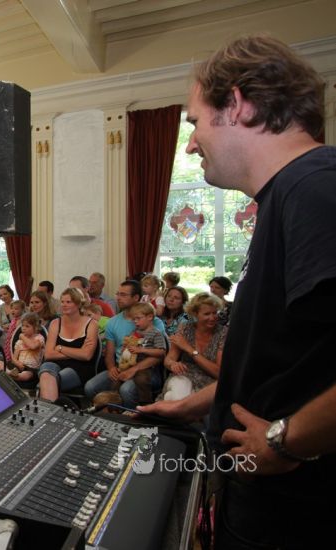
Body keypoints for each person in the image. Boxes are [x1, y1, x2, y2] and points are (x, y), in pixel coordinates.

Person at [137, 35, 336, 548]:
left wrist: (284, 441)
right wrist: (197, 405)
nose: (191, 144)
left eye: (195, 122)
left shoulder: (315, 187)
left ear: (238, 105)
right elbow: (292, 362)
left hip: (296, 511)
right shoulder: (288, 195)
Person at [84, 280, 168, 407]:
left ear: (136, 297)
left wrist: (134, 369)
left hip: (147, 370)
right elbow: (110, 354)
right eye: (117, 294)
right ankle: (110, 413)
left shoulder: (153, 321)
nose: (118, 298)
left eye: (123, 295)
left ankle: (135, 415)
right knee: (90, 387)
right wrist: (111, 368)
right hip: (122, 365)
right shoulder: (112, 322)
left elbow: (158, 356)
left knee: (126, 390)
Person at [161, 293, 227, 401]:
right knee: (179, 392)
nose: (212, 318)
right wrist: (173, 364)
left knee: (174, 398)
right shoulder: (185, 328)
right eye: (207, 314)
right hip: (183, 376)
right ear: (195, 314)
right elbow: (168, 360)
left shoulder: (223, 333)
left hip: (209, 382)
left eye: (215, 313)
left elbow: (218, 373)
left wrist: (190, 350)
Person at [38, 288, 100, 402]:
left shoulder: (91, 324)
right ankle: (51, 410)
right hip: (55, 363)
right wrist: (77, 352)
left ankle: (49, 409)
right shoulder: (55, 323)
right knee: (46, 372)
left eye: (68, 302)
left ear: (78, 304)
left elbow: (86, 355)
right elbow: (48, 354)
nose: (64, 305)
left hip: (80, 367)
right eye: (62, 302)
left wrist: (60, 348)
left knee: (53, 380)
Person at [108, 302, 167, 404]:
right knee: (116, 380)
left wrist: (142, 350)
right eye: (134, 319)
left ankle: (146, 404)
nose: (135, 321)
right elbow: (130, 344)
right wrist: (126, 349)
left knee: (141, 380)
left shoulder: (156, 333)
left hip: (146, 368)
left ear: (150, 317)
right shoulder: (136, 331)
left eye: (138, 318)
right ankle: (115, 405)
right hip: (131, 363)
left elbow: (161, 352)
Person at [7, 313, 45, 386]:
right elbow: (14, 358)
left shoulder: (39, 338)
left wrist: (22, 336)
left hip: (31, 369)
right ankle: (10, 373)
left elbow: (32, 346)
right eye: (22, 325)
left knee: (27, 375)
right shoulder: (20, 342)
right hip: (18, 367)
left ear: (35, 327)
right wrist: (17, 363)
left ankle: (13, 375)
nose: (23, 328)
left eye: (27, 326)